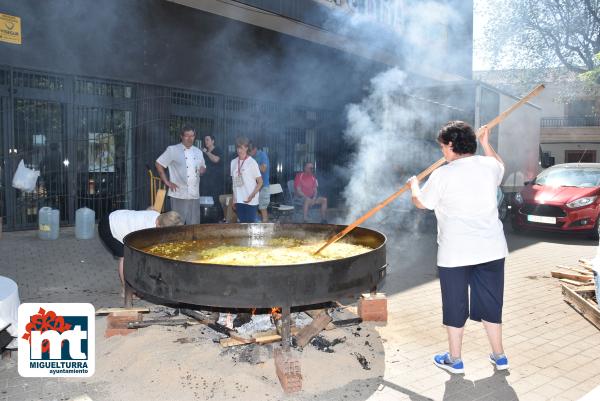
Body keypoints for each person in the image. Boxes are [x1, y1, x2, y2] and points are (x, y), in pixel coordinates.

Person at [408, 121, 509, 374]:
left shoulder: (443, 174)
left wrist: (413, 186)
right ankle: (500, 356)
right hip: (492, 249)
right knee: (491, 303)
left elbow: (422, 203)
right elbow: (500, 167)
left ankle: (455, 360)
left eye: (443, 146)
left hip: (456, 253)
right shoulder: (489, 166)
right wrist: (487, 143)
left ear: (451, 145)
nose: (442, 151)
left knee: (454, 305)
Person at [98, 209, 183, 296]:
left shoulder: (157, 215)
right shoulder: (146, 231)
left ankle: (136, 286)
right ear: (158, 224)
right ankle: (126, 290)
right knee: (125, 257)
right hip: (109, 227)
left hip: (117, 215)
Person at [155, 125, 206, 224]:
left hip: (194, 195)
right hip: (179, 193)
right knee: (177, 225)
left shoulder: (198, 152)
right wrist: (167, 182)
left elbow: (203, 167)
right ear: (181, 136)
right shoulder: (172, 150)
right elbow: (158, 164)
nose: (190, 138)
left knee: (194, 226)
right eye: (187, 136)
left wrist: (202, 170)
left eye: (192, 136)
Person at [230, 137, 263, 223]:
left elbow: (260, 182)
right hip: (239, 200)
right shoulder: (233, 162)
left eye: (241, 147)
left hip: (250, 200)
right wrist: (234, 199)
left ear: (247, 148)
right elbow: (235, 182)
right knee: (242, 224)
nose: (239, 150)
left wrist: (252, 195)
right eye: (238, 147)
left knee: (249, 225)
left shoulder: (252, 162)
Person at [200, 134, 224, 222]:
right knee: (205, 201)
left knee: (216, 200)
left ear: (213, 141)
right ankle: (206, 219)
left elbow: (216, 160)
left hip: (216, 181)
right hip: (205, 181)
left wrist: (207, 152)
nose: (205, 142)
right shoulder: (203, 153)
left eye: (207, 140)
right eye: (205, 140)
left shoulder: (218, 150)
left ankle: (220, 219)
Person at [249, 141, 270, 222]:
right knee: (254, 208)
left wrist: (254, 164)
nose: (249, 152)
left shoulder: (262, 155)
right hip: (254, 187)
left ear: (255, 149)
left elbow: (264, 169)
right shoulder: (250, 157)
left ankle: (265, 228)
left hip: (263, 186)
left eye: (250, 150)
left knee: (262, 208)